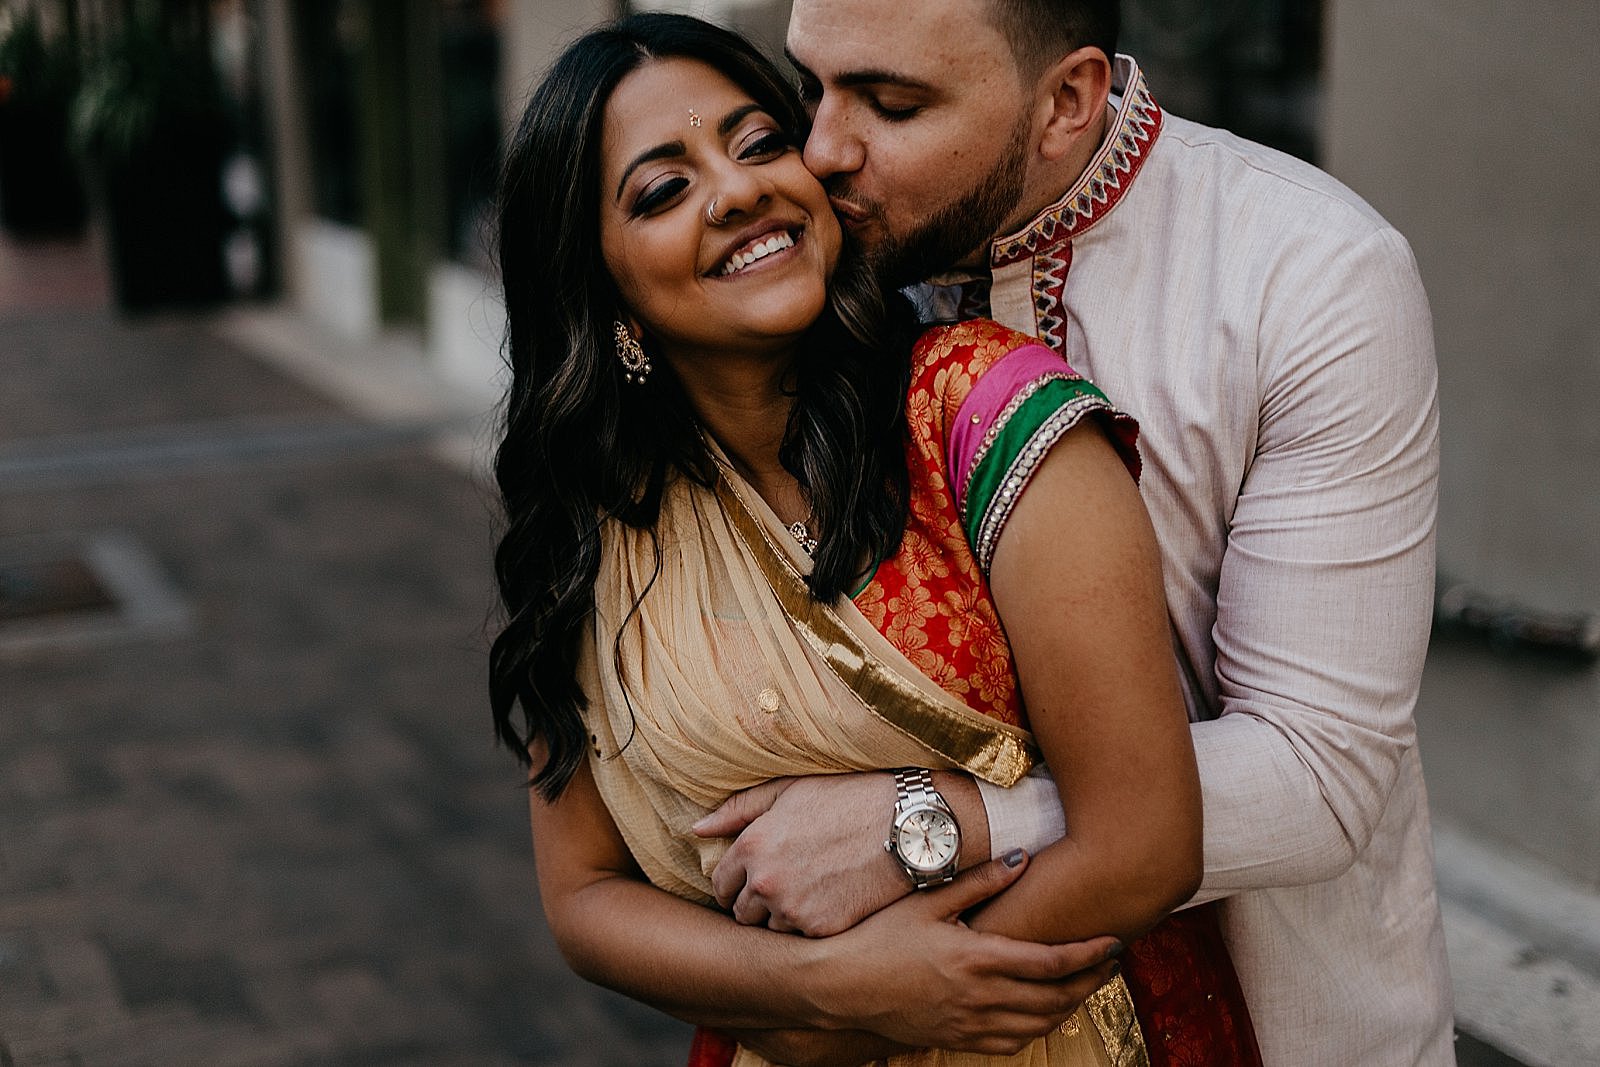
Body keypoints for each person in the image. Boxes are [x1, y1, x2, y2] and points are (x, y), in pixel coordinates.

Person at [490, 11, 1262, 1066]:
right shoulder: (598, 524)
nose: (740, 188)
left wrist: (888, 1005)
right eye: (663, 189)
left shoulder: (988, 421)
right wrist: (824, 989)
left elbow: (1145, 842)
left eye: (760, 141)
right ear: (603, 285)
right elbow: (583, 895)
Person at [695, 0, 1454, 1063]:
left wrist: (923, 827)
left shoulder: (1310, 274)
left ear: (1066, 100)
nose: (822, 149)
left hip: (1281, 1015)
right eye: (810, 84)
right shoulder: (810, 264)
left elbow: (1316, 774)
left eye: (890, 102)